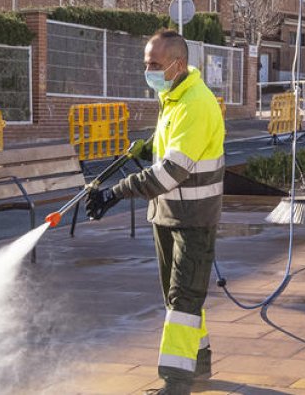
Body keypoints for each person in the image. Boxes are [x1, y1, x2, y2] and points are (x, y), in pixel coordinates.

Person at [84, 29, 225, 395]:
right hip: (167, 215)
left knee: (183, 300)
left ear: (178, 64)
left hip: (193, 219)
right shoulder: (173, 98)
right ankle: (201, 365)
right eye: (146, 63)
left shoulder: (195, 103)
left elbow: (171, 173)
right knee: (182, 301)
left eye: (155, 64)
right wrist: (145, 151)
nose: (148, 70)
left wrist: (116, 192)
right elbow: (171, 154)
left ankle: (176, 383)